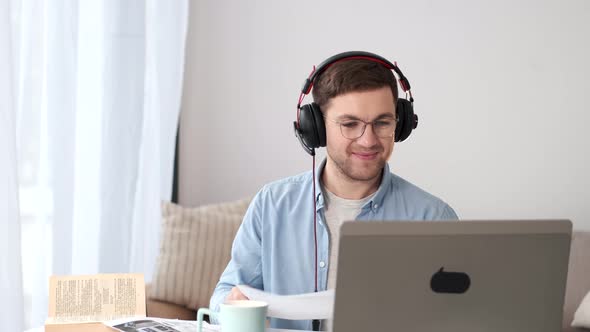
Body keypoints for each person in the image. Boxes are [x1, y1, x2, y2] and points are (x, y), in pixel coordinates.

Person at [209, 51, 458, 331]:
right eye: (350, 124)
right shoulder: (272, 204)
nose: (368, 140)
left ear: (400, 124)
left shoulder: (433, 218)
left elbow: (458, 314)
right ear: (314, 128)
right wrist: (231, 306)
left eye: (382, 122)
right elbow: (225, 295)